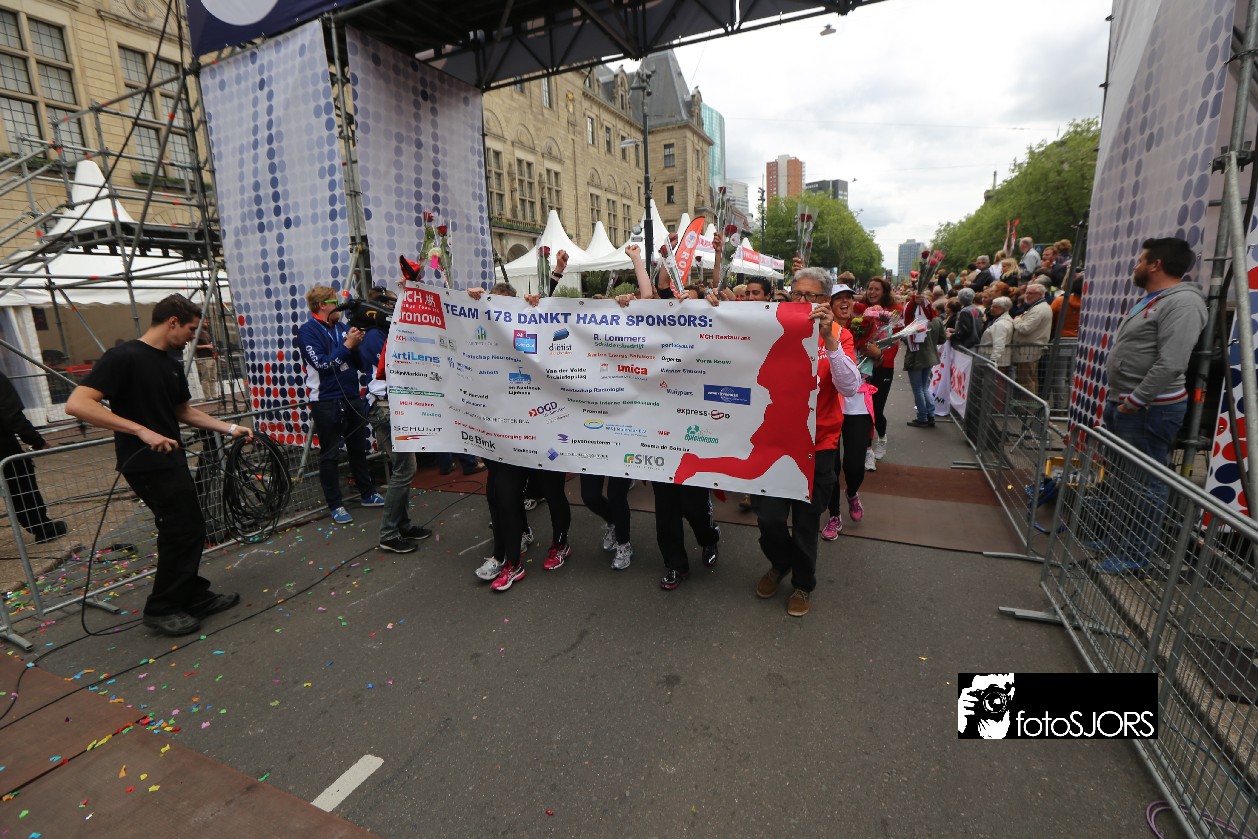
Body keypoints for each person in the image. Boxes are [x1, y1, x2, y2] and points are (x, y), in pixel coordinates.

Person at [66, 294, 250, 636]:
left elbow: (183, 411)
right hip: (144, 463)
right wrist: (140, 430)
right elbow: (78, 404)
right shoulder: (123, 357)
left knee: (190, 527)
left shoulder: (170, 362)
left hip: (170, 459)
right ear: (172, 321)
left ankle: (192, 594)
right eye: (191, 329)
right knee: (180, 528)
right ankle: (162, 607)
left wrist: (229, 428)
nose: (193, 337)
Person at [754, 268, 863, 617]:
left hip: (819, 445)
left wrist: (829, 338)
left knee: (805, 521)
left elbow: (849, 387)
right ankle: (780, 562)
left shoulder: (841, 335)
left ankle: (803, 584)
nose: (802, 301)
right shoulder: (775, 327)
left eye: (810, 296)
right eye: (796, 294)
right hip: (776, 441)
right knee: (768, 518)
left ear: (825, 300)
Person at [1097, 237, 1207, 574]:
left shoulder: (1183, 303)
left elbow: (1172, 362)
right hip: (1127, 404)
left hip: (1148, 410)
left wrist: (1136, 400)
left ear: (1156, 264)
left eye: (1141, 260)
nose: (1136, 265)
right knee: (1122, 478)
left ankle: (1135, 553)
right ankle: (1117, 541)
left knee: (1144, 482)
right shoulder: (1154, 300)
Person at [619, 243, 722, 591]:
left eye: (688, 300)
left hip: (692, 435)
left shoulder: (707, 336)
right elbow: (649, 295)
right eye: (677, 298)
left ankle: (708, 537)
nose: (680, 303)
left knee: (694, 507)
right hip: (658, 436)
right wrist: (640, 260)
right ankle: (675, 564)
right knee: (665, 512)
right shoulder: (655, 331)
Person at [297, 286, 384, 525]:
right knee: (330, 455)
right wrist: (346, 346)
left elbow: (359, 364)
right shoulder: (307, 331)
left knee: (358, 448)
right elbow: (323, 365)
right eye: (335, 302)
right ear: (322, 305)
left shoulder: (343, 328)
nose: (340, 306)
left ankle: (367, 493)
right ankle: (335, 504)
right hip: (326, 401)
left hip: (351, 396)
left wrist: (356, 345)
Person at [362, 278, 433, 553]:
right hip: (386, 407)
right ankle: (389, 532)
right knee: (405, 469)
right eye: (392, 304)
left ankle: (402, 524)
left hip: (394, 406)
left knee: (405, 468)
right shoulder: (376, 334)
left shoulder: (385, 331)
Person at [821, 283, 874, 540]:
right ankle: (834, 514)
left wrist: (874, 352)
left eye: (848, 298)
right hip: (830, 402)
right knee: (830, 466)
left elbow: (878, 359)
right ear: (829, 304)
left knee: (854, 466)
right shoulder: (820, 330)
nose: (845, 302)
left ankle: (852, 492)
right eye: (838, 298)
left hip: (857, 403)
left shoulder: (865, 326)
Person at [0, 370, 66, 543]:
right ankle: (42, 527)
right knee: (21, 486)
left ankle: (41, 526)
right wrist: (36, 441)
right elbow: (12, 414)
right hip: (3, 446)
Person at [853, 277, 901, 463]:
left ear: (884, 292)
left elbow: (893, 343)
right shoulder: (862, 309)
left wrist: (879, 355)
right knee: (865, 410)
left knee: (877, 409)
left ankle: (882, 437)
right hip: (863, 366)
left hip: (883, 368)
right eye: (870, 288)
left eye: (876, 289)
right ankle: (867, 451)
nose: (872, 292)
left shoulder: (893, 312)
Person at [903, 293, 945, 428]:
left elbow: (907, 340)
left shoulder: (915, 322)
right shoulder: (936, 319)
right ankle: (930, 414)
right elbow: (942, 339)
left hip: (916, 358)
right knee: (924, 386)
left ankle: (922, 417)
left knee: (918, 388)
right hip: (930, 356)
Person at [1009, 283, 1051, 393]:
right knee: (1029, 379)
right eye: (1026, 293)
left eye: (1030, 293)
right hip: (1028, 349)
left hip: (1028, 350)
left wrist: (1017, 319)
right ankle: (1030, 403)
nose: (1026, 295)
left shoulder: (1039, 309)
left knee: (1026, 380)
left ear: (1040, 294)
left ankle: (1027, 404)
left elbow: (1025, 328)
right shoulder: (1037, 307)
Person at [977, 296, 1014, 369]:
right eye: (992, 306)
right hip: (995, 359)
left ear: (1004, 309)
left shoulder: (1001, 324)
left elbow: (999, 344)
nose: (991, 309)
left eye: (995, 307)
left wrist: (993, 361)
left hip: (996, 362)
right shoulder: (1000, 320)